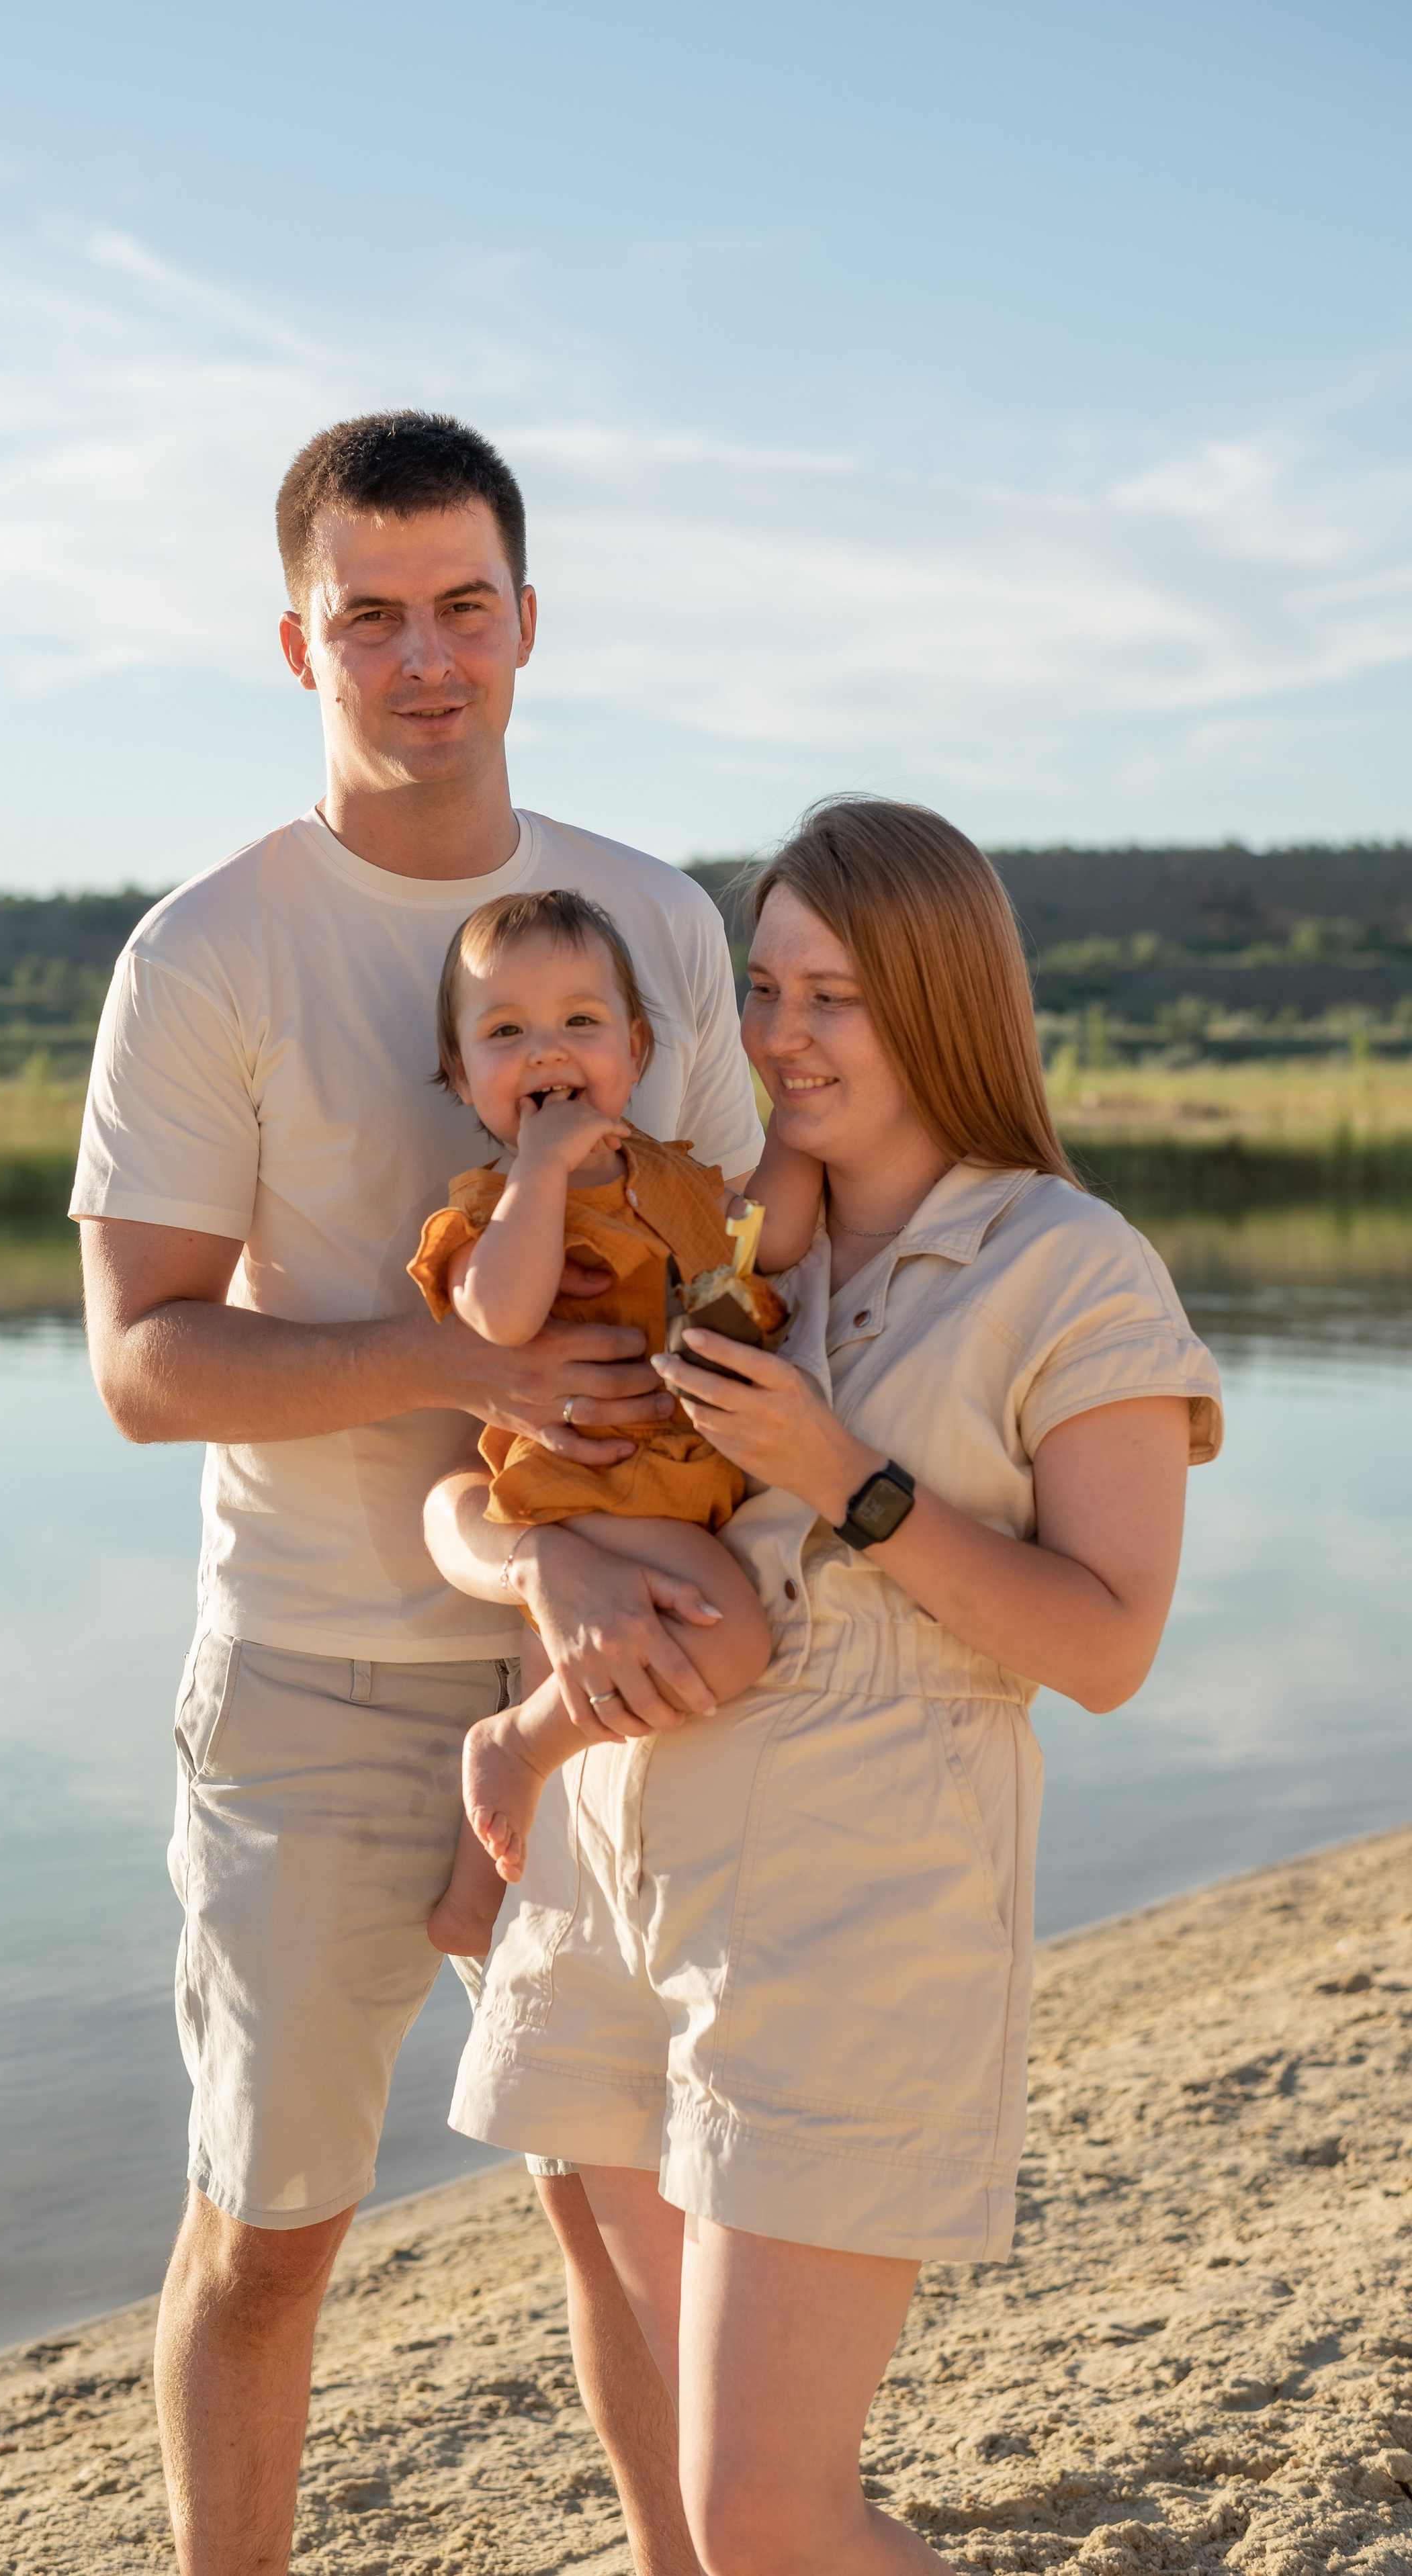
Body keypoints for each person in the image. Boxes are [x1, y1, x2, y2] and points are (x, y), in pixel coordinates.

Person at [71, 409, 764, 2576]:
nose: (423, 656)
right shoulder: (207, 954)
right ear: (300, 644)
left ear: (528, 624)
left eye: (463, 606)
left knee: (630, 2198)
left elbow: (756, 1263)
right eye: (369, 616)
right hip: (315, 1681)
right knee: (275, 2233)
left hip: (621, 1664)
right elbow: (142, 1359)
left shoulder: (647, 917)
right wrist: (453, 1362)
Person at [423, 796, 1224, 2575]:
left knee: (769, 2519)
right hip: (613, 1875)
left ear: (941, 1001)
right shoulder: (695, 1223)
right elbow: (473, 1484)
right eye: (766, 987)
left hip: (859, 1909)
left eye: (835, 996)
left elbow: (1105, 1644)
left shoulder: (1066, 1266)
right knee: (700, 2523)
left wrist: (850, 1474)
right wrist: (529, 1564)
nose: (782, 1036)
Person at [410, 887, 820, 1955]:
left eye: (579, 1023)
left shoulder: (676, 1175)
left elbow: (753, 1251)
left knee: (565, 1672)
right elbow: (497, 1318)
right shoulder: (486, 1208)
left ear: (633, 1049)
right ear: (464, 1077)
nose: (547, 1051)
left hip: (672, 1480)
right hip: (586, 1488)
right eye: (506, 1034)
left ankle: (476, 1893)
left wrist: (809, 1138)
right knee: (722, 1639)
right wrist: (540, 1172)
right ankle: (515, 1751)